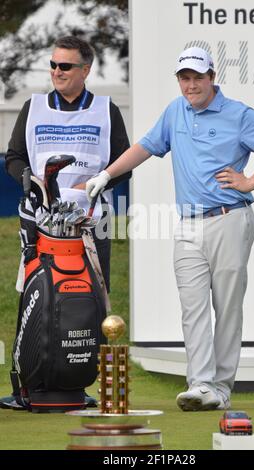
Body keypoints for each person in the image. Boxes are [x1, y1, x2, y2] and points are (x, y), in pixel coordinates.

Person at [85, 47, 254, 411]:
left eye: (198, 77)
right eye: (185, 77)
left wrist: (250, 182)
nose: (191, 85)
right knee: (192, 306)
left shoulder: (238, 113)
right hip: (187, 224)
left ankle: (221, 388)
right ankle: (200, 384)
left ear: (212, 77)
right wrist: (106, 174)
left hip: (231, 217)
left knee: (226, 306)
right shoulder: (174, 111)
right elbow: (145, 147)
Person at [1, 35, 131, 410]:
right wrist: (28, 179)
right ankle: (28, 382)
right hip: (39, 222)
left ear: (85, 70)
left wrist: (99, 181)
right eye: (54, 65)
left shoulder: (107, 110)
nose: (57, 72)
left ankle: (87, 383)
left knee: (92, 303)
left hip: (91, 223)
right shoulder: (34, 107)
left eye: (66, 66)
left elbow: (123, 163)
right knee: (31, 298)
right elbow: (14, 157)